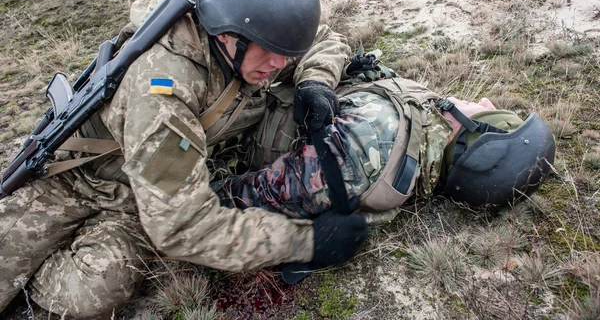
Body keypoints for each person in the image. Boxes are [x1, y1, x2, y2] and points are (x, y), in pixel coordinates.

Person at [0, 0, 367, 318]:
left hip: (137, 196)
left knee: (94, 292)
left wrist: (315, 81)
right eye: (272, 51)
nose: (280, 64)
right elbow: (187, 227)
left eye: (286, 53)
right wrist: (306, 242)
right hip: (67, 179)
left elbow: (323, 39)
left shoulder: (246, 33)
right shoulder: (161, 90)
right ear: (228, 34)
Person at [215, 76, 556, 223]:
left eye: (485, 111)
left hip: (232, 125)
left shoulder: (369, 147)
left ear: (466, 135)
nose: (484, 99)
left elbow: (252, 196)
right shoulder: (427, 127)